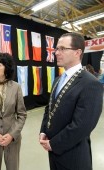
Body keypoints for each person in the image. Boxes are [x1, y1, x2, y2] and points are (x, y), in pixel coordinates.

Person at [39, 32, 103, 170]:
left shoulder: (90, 84)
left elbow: (82, 125)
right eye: (56, 48)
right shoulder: (57, 80)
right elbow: (49, 107)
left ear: (77, 52)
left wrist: (54, 144)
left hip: (74, 156)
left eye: (62, 48)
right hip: (53, 152)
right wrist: (44, 130)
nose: (56, 52)